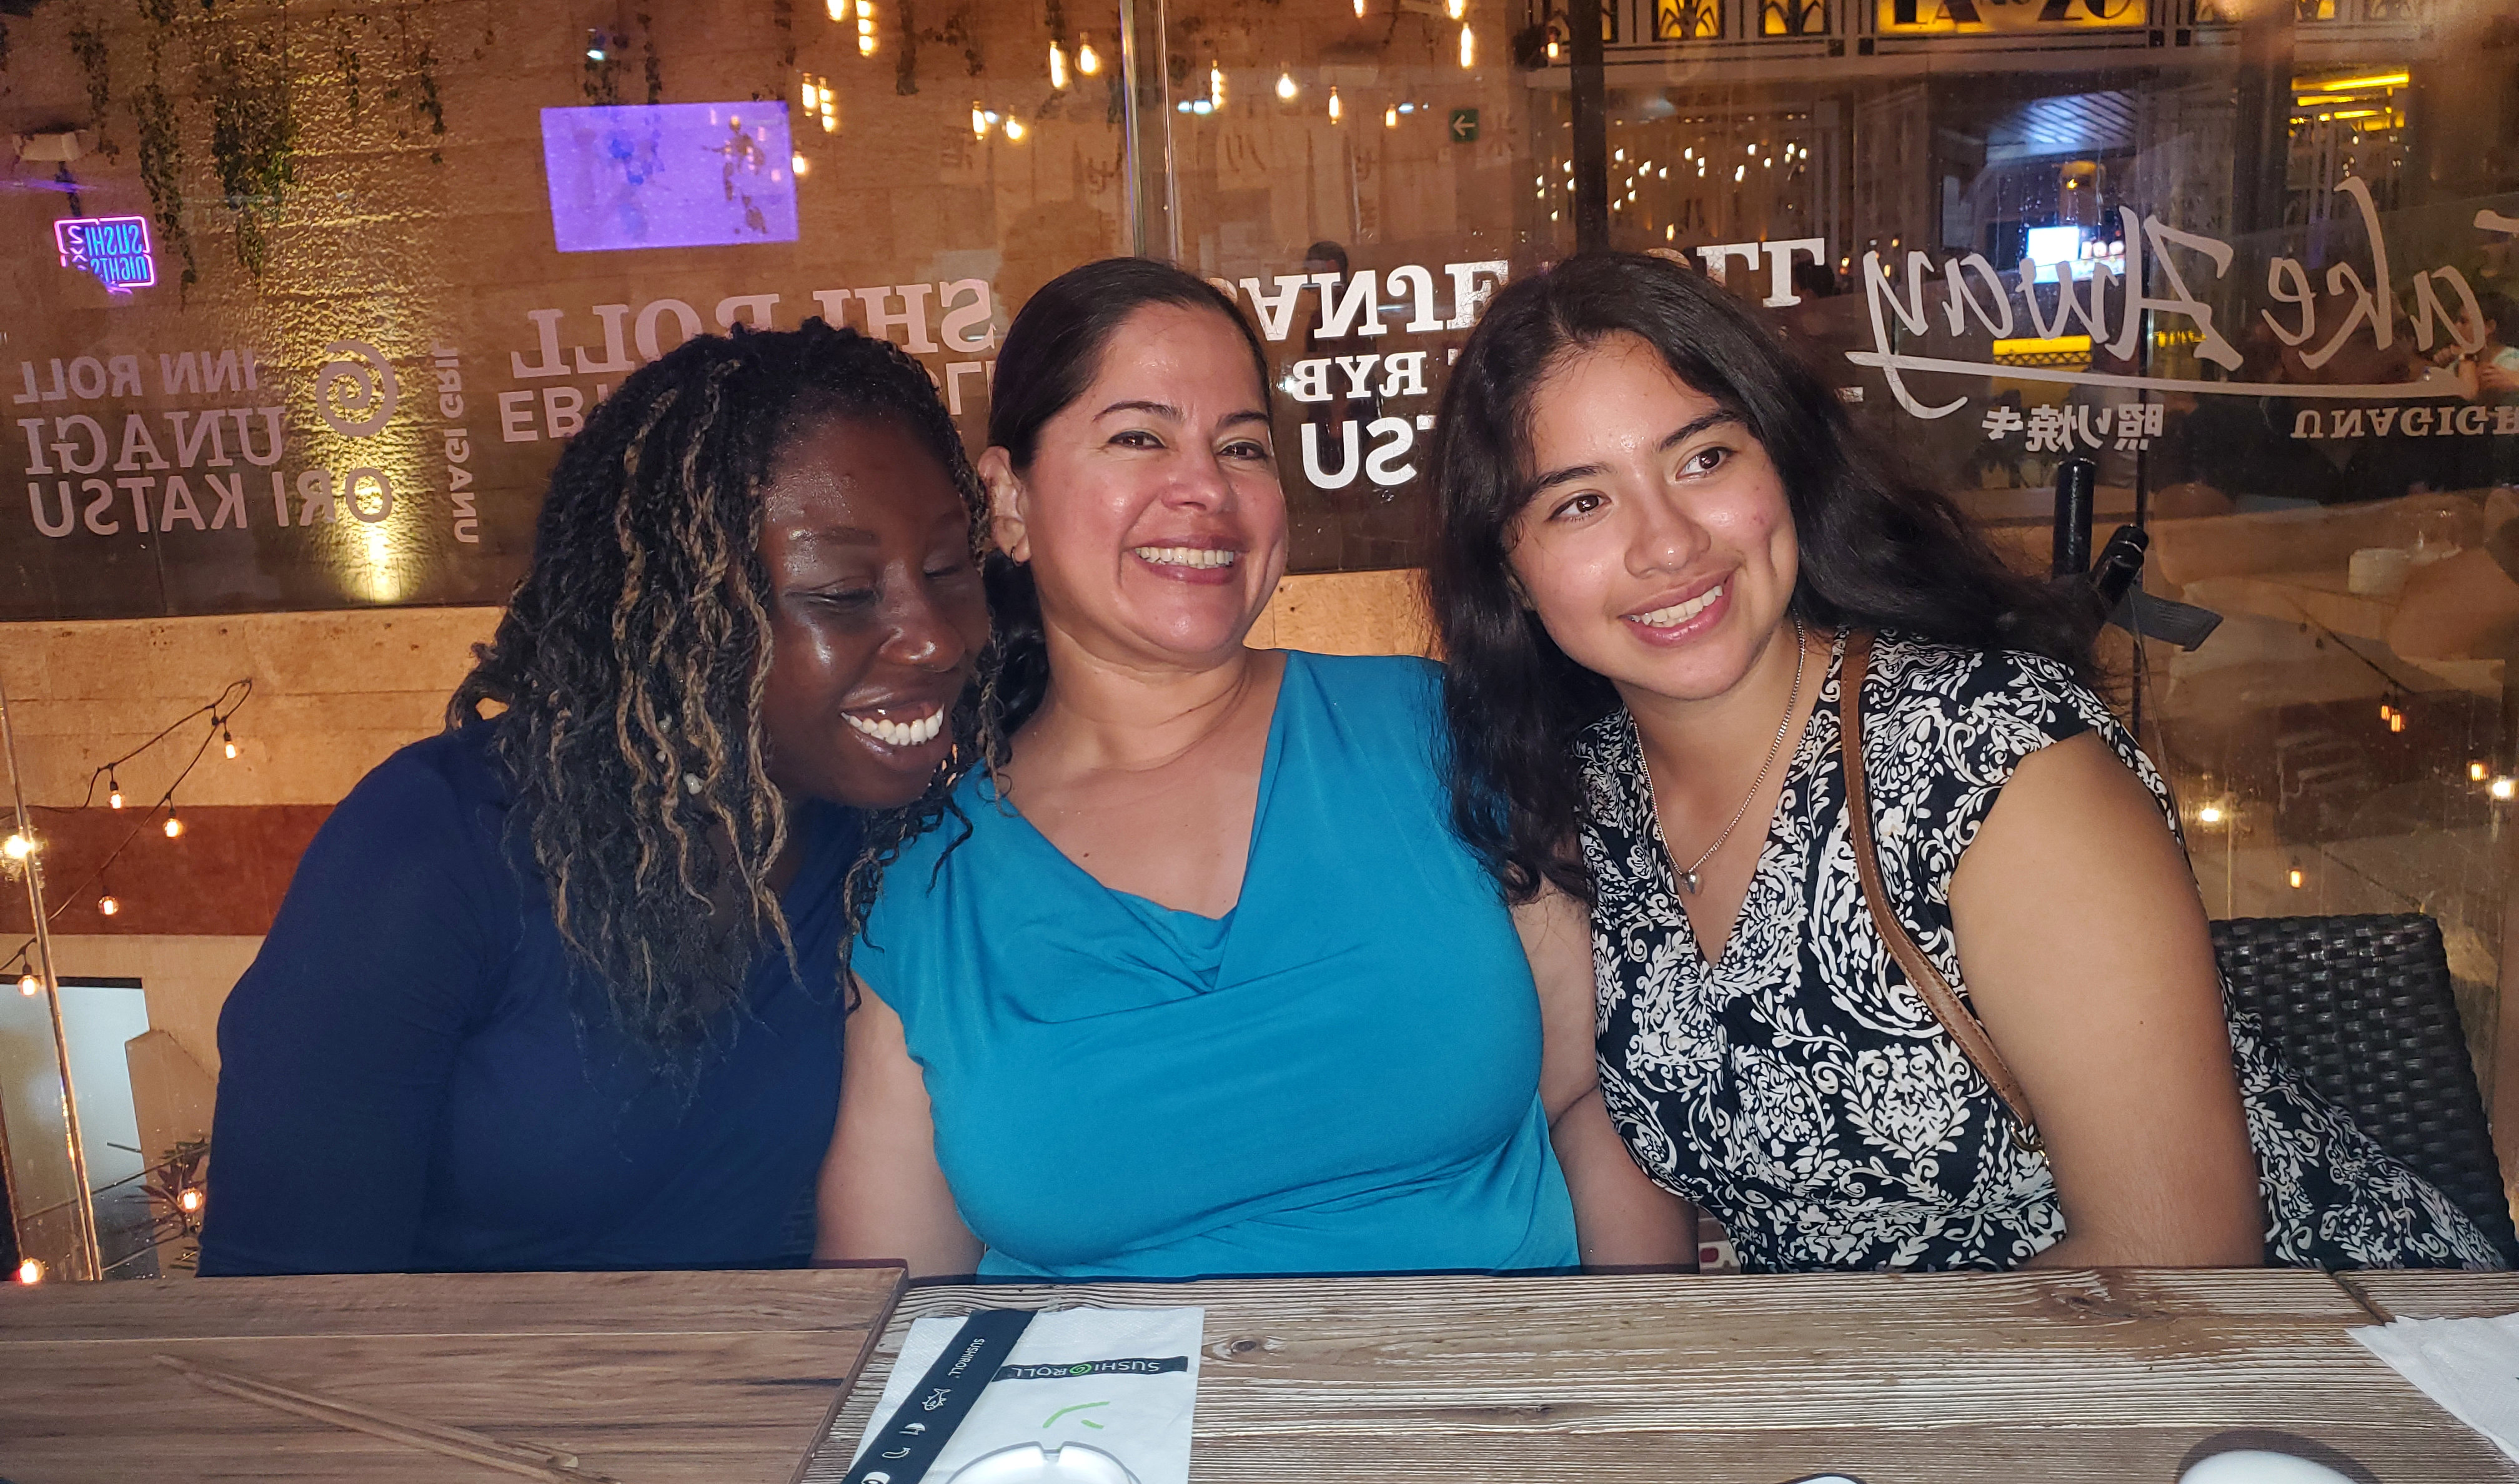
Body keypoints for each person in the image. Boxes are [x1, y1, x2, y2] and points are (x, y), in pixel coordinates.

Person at [1423, 251, 2503, 1272]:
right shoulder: (1588, 802)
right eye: (1580, 502)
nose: (1667, 543)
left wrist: (1824, 1397)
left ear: (1784, 466)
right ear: (1511, 574)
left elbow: (2178, 1253)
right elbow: (1587, 1113)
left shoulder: (1996, 756)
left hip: (2328, 1356)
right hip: (1902, 1387)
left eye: (1703, 459)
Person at [817, 257, 1688, 1280]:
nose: (1204, 488)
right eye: (1139, 437)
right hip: (1097, 1388)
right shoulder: (930, 882)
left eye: (1241, 446)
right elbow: (884, 1298)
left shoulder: (1440, 730)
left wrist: (1641, 1358)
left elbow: (1597, 1101)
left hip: (1495, 1377)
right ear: (1009, 500)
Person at [200, 322, 991, 1274]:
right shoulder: (433, 851)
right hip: (465, 1375)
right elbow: (274, 1302)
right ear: (683, 612)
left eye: (948, 570)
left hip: (801, 1366)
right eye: (844, 593)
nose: (935, 637)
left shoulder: (897, 839)